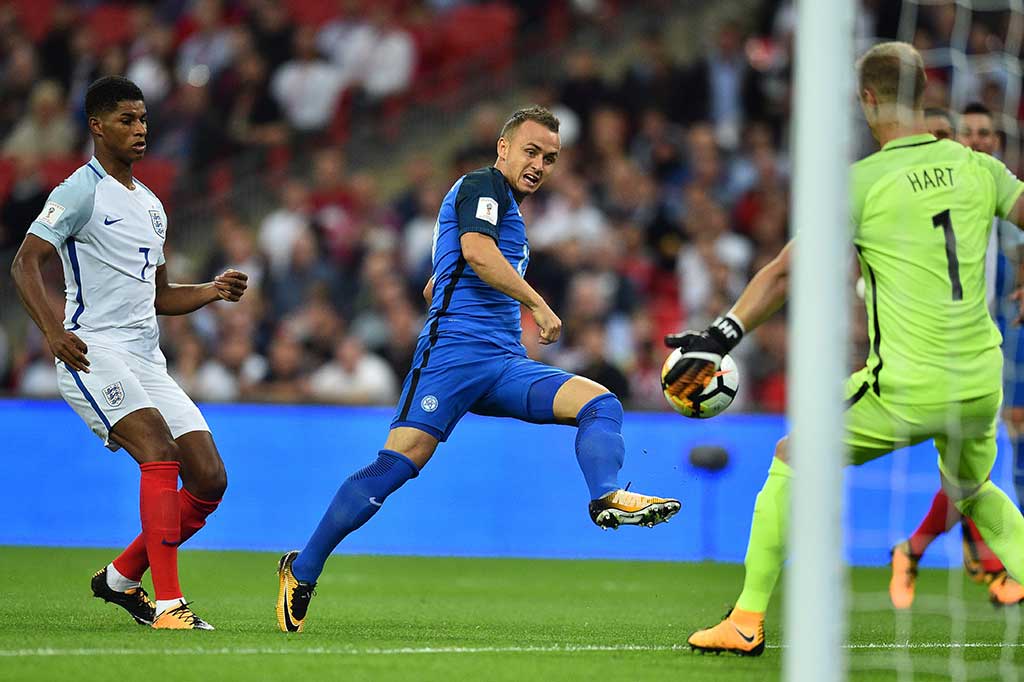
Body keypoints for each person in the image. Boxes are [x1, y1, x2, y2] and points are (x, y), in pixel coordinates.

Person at [671, 42, 1024, 656]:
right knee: (970, 492)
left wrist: (720, 335)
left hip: (906, 385)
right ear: (925, 95)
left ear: (867, 99)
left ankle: (746, 619)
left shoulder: (860, 183)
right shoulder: (978, 168)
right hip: (980, 381)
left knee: (792, 456)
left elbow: (785, 273)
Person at [275, 106, 680, 633]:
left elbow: (450, 269)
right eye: (531, 152)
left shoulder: (503, 204)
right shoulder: (483, 184)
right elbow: (478, 253)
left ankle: (605, 496)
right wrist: (539, 304)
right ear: (503, 148)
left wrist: (445, 282)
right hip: (451, 359)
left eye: (550, 158)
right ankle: (301, 569)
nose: (539, 164)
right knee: (397, 465)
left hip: (504, 362)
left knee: (599, 402)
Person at [9, 76, 248, 630]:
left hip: (146, 358)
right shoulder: (77, 192)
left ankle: (120, 579)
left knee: (209, 478)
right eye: (127, 120)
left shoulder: (152, 206)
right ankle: (169, 606)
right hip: (93, 351)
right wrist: (52, 331)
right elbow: (25, 263)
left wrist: (211, 290)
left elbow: (159, 295)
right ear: (97, 125)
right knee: (159, 453)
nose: (140, 130)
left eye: (143, 119)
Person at [891, 102, 1024, 607]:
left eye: (985, 132)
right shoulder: (927, 199)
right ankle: (981, 551)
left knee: (978, 459)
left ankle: (935, 548)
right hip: (947, 347)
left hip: (999, 341)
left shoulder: (998, 194)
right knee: (974, 459)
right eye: (966, 132)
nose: (976, 139)